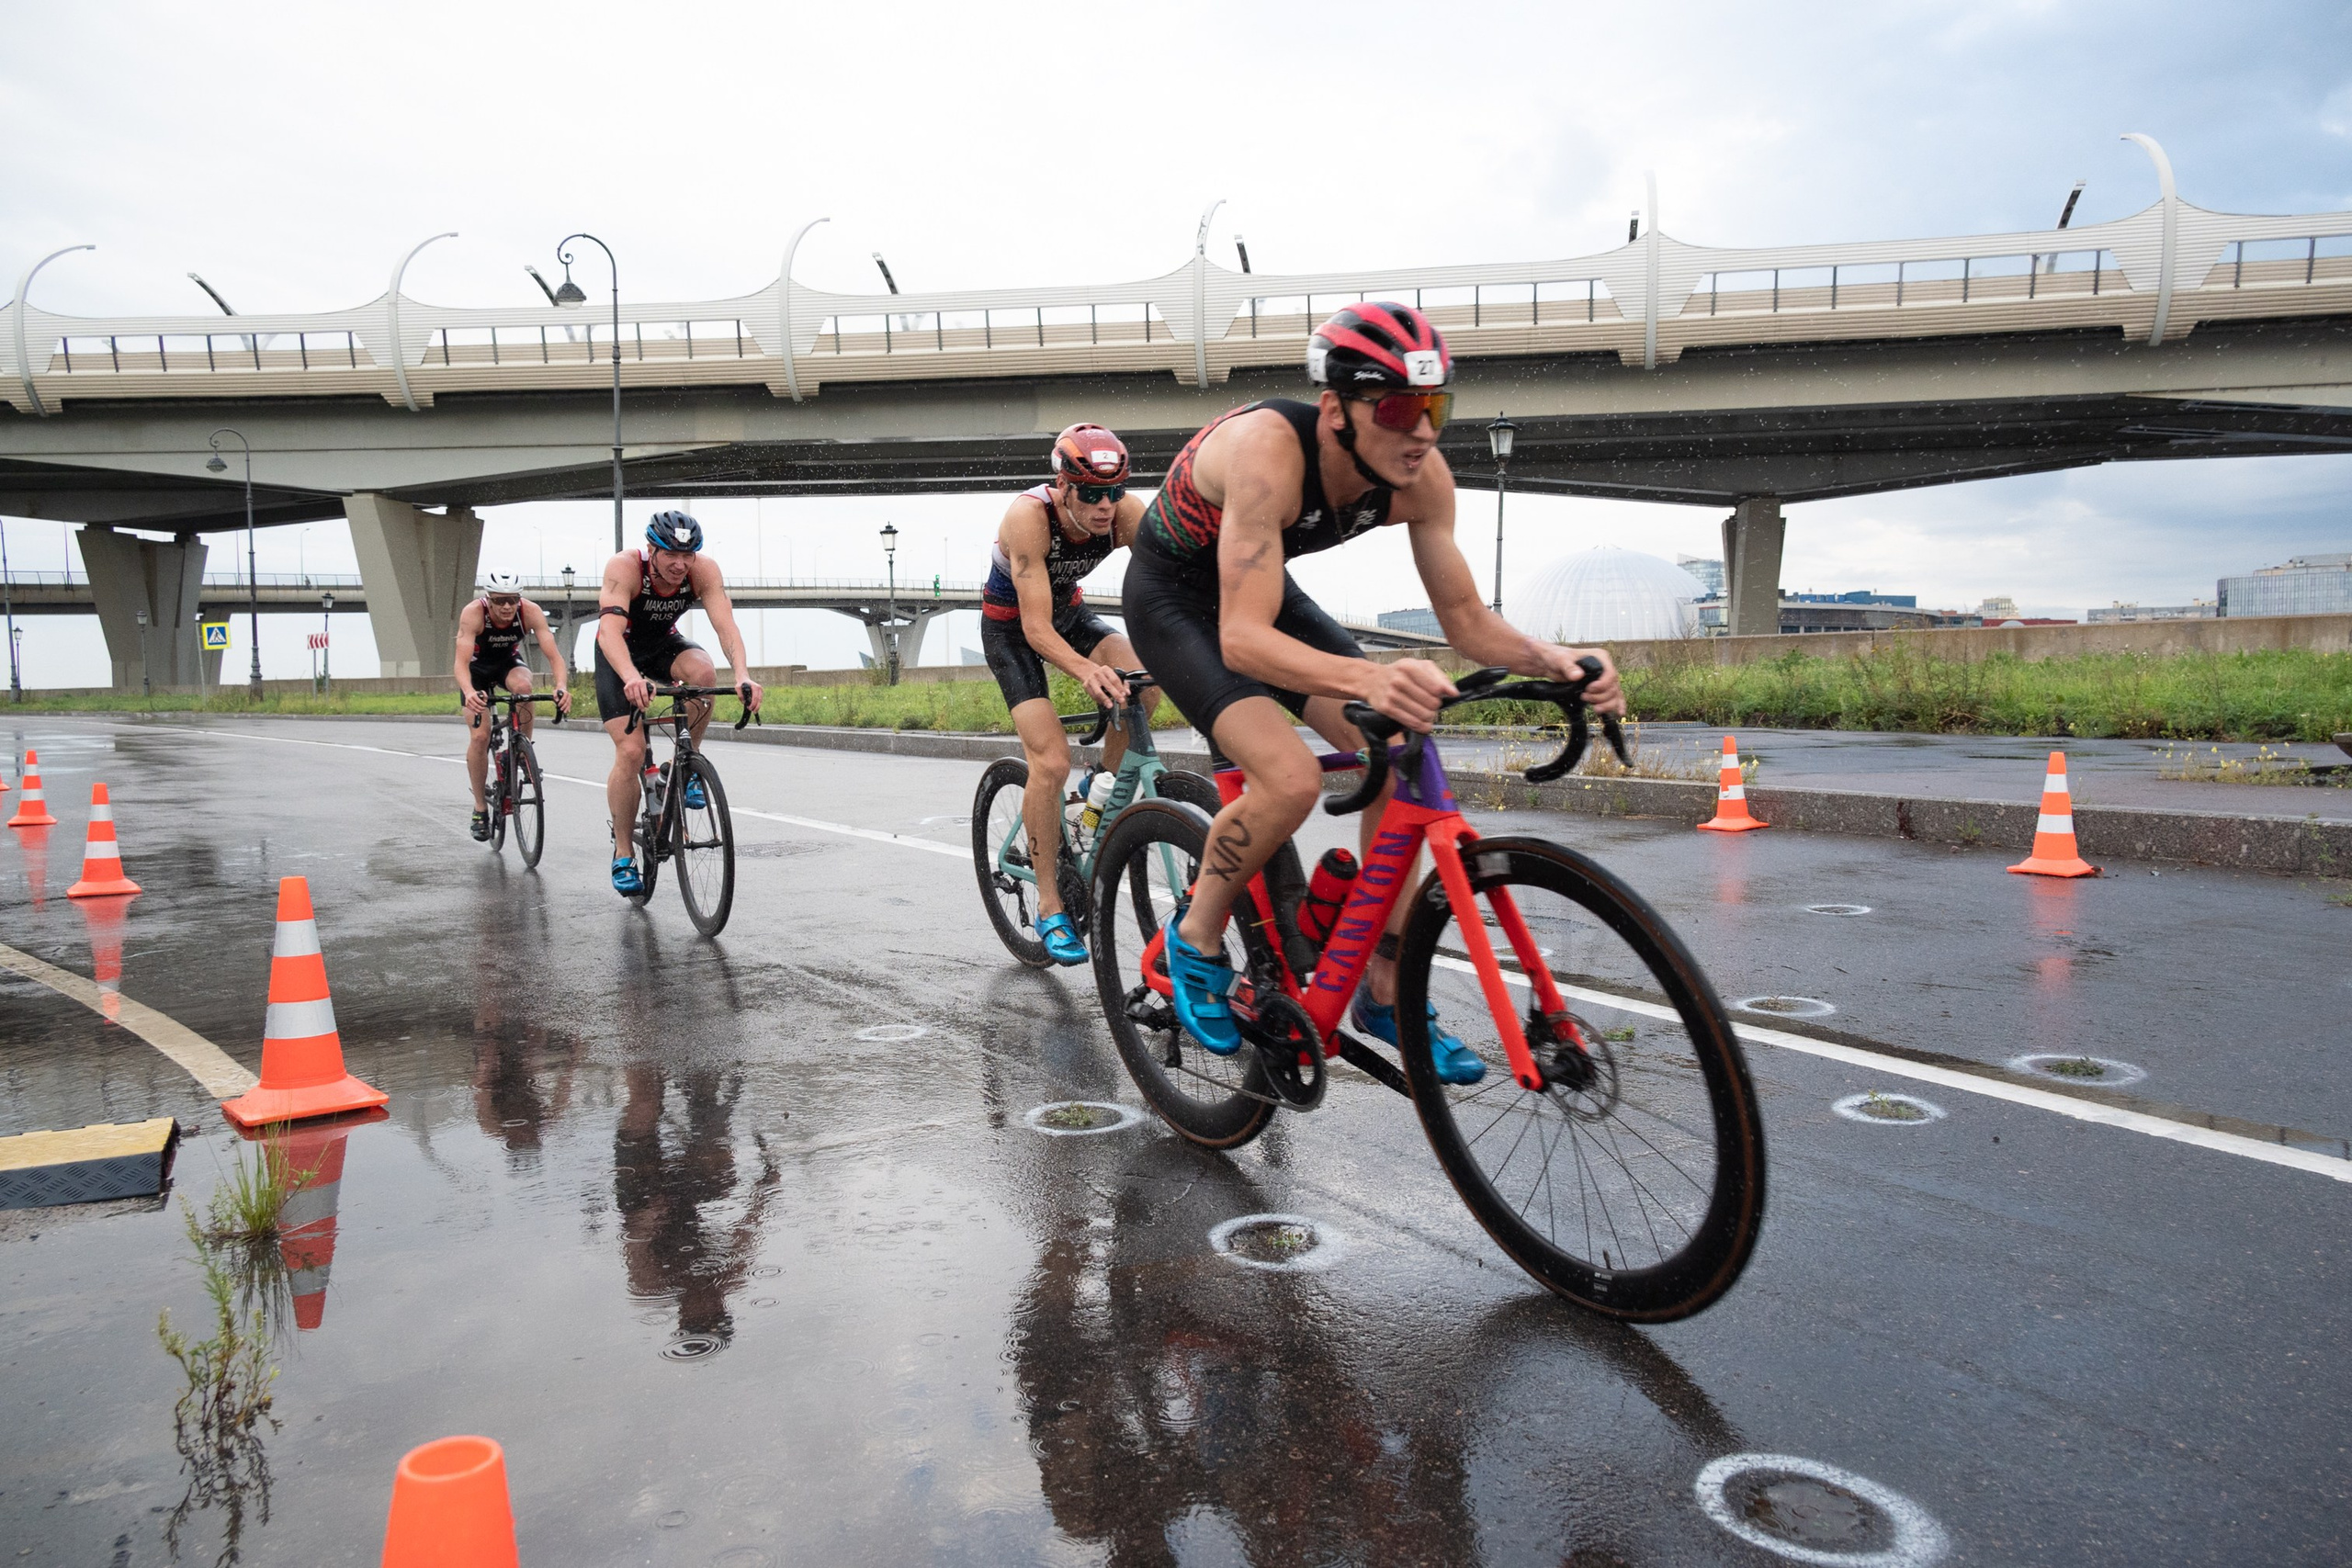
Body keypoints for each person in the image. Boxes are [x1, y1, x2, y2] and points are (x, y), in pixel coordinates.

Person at [1122, 303, 1624, 1082]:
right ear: (1336, 410)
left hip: (1255, 590)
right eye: (1397, 407)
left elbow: (1465, 619)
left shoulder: (1422, 478)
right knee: (1286, 779)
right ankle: (1196, 936)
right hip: (1174, 602)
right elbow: (1243, 641)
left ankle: (1385, 987)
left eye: (1435, 407)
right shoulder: (1268, 451)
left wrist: (1556, 659)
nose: (1421, 430)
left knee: (1396, 743)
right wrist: (1369, 674)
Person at [979, 423, 1157, 964]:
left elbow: (1175, 577)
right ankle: (1052, 904)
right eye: (1091, 494)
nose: (1106, 506)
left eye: (1115, 492)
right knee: (1050, 762)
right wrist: (1085, 671)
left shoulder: (1126, 514)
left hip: (1071, 615)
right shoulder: (1028, 518)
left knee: (1141, 685)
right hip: (1013, 630)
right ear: (1063, 485)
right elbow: (1035, 629)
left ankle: (1095, 799)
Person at [594, 510, 763, 895]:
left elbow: (725, 625)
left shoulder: (703, 571)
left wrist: (742, 674)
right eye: (670, 554)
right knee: (632, 751)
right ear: (652, 548)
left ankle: (682, 767)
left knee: (704, 675)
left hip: (661, 647)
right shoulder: (625, 567)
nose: (679, 564)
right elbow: (608, 632)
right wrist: (631, 678)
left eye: (687, 556)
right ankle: (623, 852)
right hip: (617, 652)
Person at [454, 570, 571, 840]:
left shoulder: (530, 612)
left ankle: (520, 749)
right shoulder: (473, 613)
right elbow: (460, 664)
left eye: (513, 600)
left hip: (508, 663)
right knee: (480, 736)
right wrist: (470, 692)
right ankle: (480, 808)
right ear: (489, 599)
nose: (507, 606)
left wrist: (561, 686)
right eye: (500, 601)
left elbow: (554, 656)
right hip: (476, 670)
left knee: (524, 689)